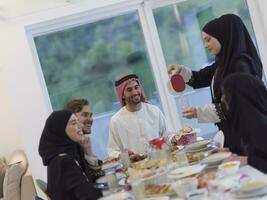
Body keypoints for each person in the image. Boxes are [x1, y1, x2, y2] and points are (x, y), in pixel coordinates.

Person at [168, 14, 262, 150]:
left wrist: (197, 112)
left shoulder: (241, 66)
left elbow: (232, 107)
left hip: (247, 137)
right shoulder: (223, 63)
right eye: (204, 41)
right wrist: (181, 70)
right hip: (234, 133)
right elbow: (200, 77)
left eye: (208, 40)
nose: (205, 45)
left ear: (223, 36)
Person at [108, 73, 177, 157]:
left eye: (136, 88)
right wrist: (124, 155)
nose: (134, 92)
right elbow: (112, 151)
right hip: (135, 167)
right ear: (122, 95)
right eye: (129, 90)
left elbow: (168, 135)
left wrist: (174, 139)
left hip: (161, 161)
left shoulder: (154, 111)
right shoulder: (116, 121)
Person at [38, 110, 102, 200]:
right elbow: (90, 196)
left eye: (78, 121)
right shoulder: (64, 162)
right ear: (60, 130)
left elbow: (94, 181)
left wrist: (88, 153)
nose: (81, 125)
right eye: (73, 123)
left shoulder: (66, 155)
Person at [220, 73, 267, 173]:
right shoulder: (247, 122)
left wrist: (248, 160)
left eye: (225, 94)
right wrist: (230, 150)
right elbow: (254, 151)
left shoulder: (262, 127)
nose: (222, 99)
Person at [64, 99, 103, 178]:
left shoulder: (83, 143)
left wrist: (88, 152)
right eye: (85, 115)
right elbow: (93, 179)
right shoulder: (68, 152)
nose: (90, 119)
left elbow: (97, 176)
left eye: (91, 115)